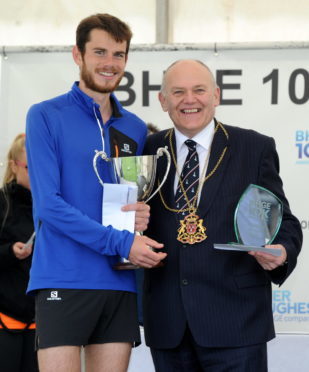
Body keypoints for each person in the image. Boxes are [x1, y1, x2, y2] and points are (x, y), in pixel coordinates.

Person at [25, 13, 166, 372]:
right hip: (62, 277)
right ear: (78, 54)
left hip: (118, 280)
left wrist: (139, 217)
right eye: (99, 52)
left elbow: (127, 199)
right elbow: (49, 207)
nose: (109, 63)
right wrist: (122, 242)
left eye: (118, 54)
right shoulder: (45, 115)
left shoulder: (133, 127)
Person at [142, 59, 303, 371]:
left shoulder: (253, 147)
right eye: (178, 92)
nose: (190, 100)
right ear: (163, 100)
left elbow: (282, 219)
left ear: (216, 95)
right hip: (168, 322)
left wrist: (282, 251)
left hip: (236, 322)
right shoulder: (149, 149)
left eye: (199, 90)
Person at [0, 133, 38, 371]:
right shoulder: (2, 203)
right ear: (14, 166)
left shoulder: (51, 205)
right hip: (5, 319)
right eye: (28, 166)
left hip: (43, 319)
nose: (36, 172)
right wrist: (9, 252)